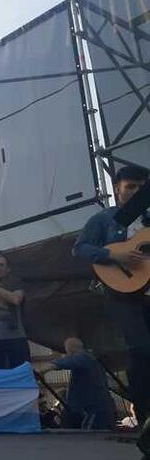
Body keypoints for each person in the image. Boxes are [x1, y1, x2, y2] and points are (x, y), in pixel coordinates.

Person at [73, 165, 150, 429]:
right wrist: (113, 255)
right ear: (117, 189)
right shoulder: (105, 219)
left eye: (141, 188)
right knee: (140, 350)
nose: (136, 192)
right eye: (130, 187)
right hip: (122, 292)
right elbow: (80, 248)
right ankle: (145, 418)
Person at [39, 337, 116, 429]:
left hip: (94, 410)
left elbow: (67, 362)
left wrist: (43, 369)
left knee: (91, 436)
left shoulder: (84, 358)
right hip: (95, 408)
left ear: (70, 349)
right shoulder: (92, 361)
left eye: (67, 351)